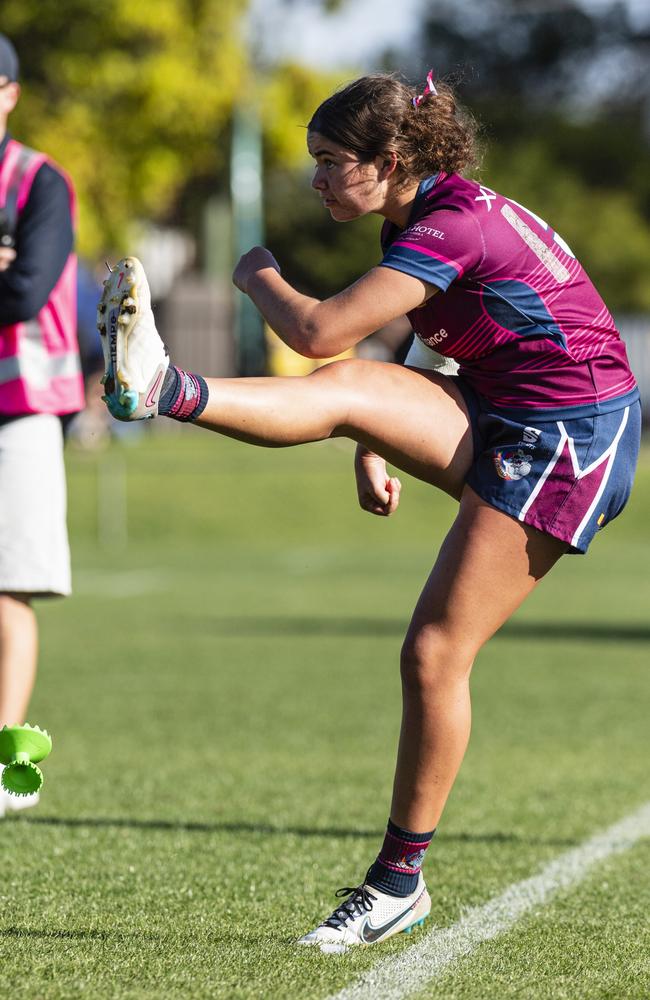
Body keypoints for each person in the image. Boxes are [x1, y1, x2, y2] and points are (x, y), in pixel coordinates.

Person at [99, 72, 641, 952]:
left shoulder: (453, 224)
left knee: (434, 653)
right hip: (516, 408)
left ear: (390, 161)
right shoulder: (429, 212)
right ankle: (162, 386)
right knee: (349, 395)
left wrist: (257, 274)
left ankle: (398, 885)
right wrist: (373, 440)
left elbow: (318, 331)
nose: (315, 180)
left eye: (327, 163)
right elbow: (404, 336)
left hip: (571, 434)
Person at [0, 34, 84, 815]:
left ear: (10, 93)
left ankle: (6, 757)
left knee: (8, 585)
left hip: (20, 405)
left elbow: (24, 291)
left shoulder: (37, 181)